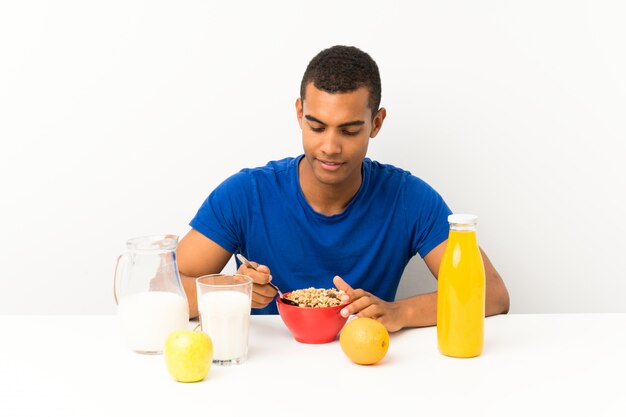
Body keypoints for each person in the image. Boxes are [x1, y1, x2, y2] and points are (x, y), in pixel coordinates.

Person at [176, 45, 510, 332]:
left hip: (369, 365)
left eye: (349, 131)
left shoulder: (408, 199)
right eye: (317, 127)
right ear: (299, 113)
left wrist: (399, 313)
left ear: (376, 124)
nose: (330, 147)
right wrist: (232, 290)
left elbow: (492, 294)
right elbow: (160, 287)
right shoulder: (247, 194)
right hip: (264, 370)